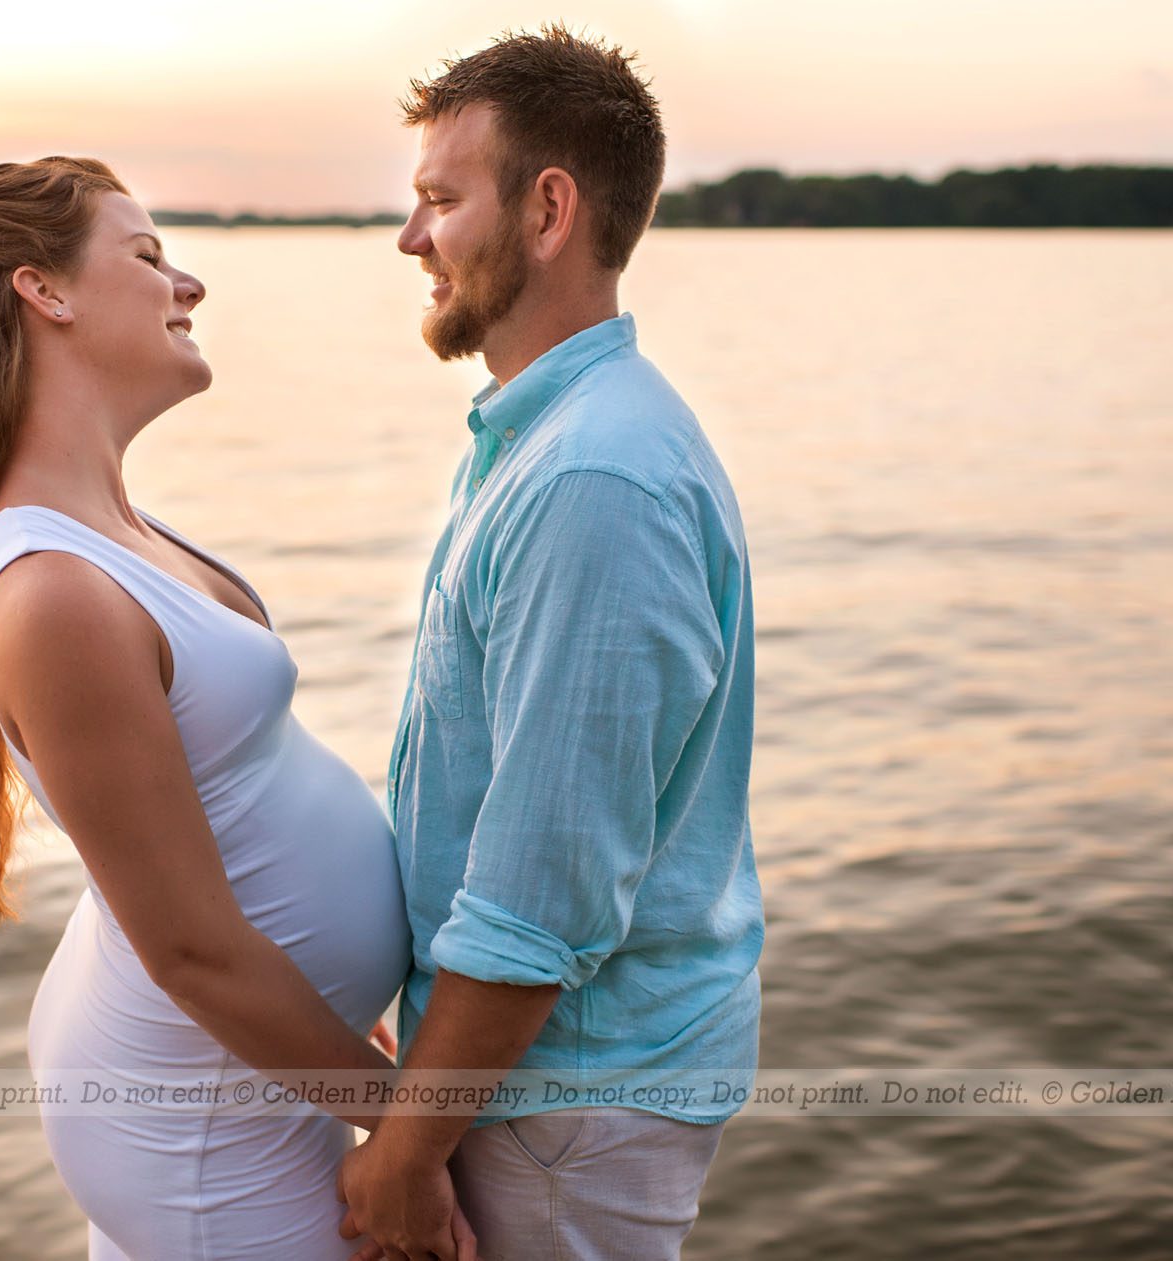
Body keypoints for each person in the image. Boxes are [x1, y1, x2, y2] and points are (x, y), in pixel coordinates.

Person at [0, 157, 478, 1259]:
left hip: (245, 1069)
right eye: (147, 257)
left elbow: (231, 824)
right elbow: (191, 948)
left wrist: (368, 1056)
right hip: (195, 1118)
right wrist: (413, 1136)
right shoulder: (55, 592)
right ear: (44, 292)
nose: (188, 284)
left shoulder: (115, 529)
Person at [335, 26, 765, 1261]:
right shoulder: (545, 439)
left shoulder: (594, 480)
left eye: (440, 200)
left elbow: (540, 899)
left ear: (548, 211)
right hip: (536, 1083)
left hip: (563, 1103)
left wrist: (406, 1152)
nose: (411, 239)